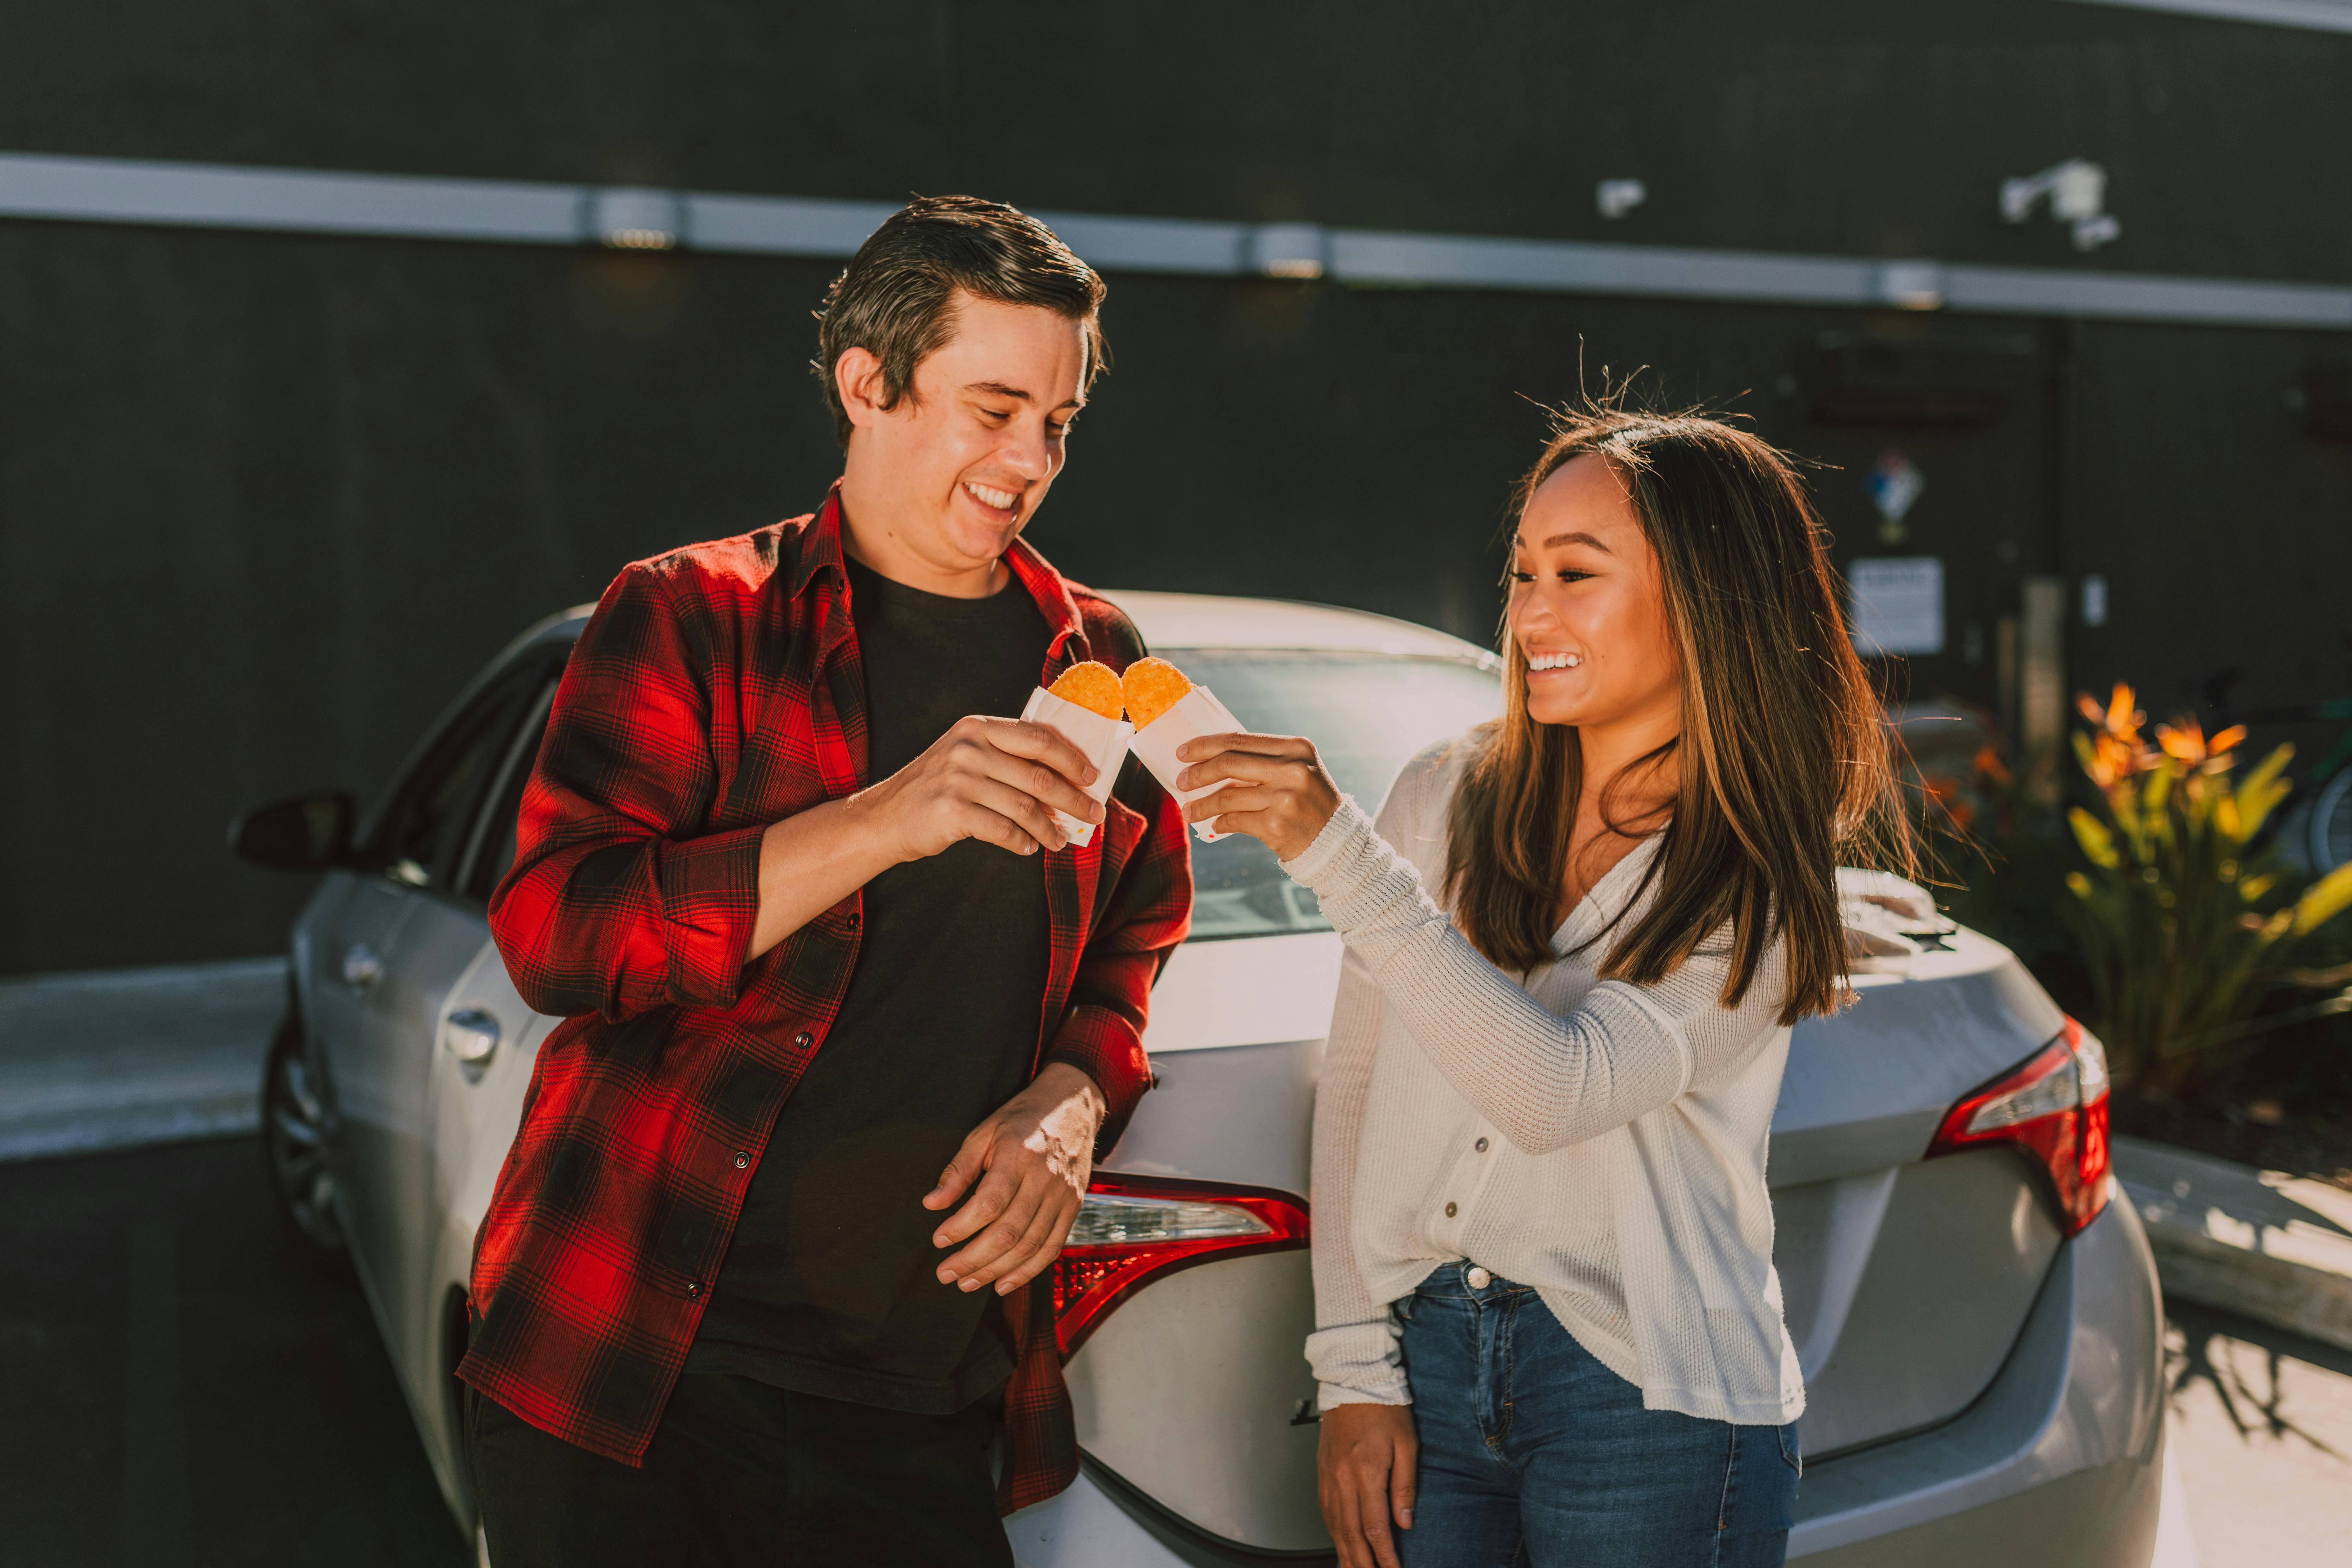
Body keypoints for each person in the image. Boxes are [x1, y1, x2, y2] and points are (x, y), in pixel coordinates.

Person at [457, 196, 1193, 1567]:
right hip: (629, 1371)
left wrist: (1072, 1097)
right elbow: (558, 937)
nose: (1029, 458)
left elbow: (1133, 934)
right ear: (869, 383)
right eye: (992, 409)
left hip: (910, 1405)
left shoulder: (1093, 649)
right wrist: (880, 819)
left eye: (1060, 420)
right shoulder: (687, 613)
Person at [1176, 406, 1911, 1568]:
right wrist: (1356, 1370)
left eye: (1576, 573)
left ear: (1710, 601)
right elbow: (1360, 1086)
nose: (1527, 615)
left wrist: (1335, 854)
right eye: (1521, 572)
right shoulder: (1446, 791)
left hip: (1651, 1401)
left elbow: (1555, 1093)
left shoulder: (1758, 880)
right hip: (1431, 1362)